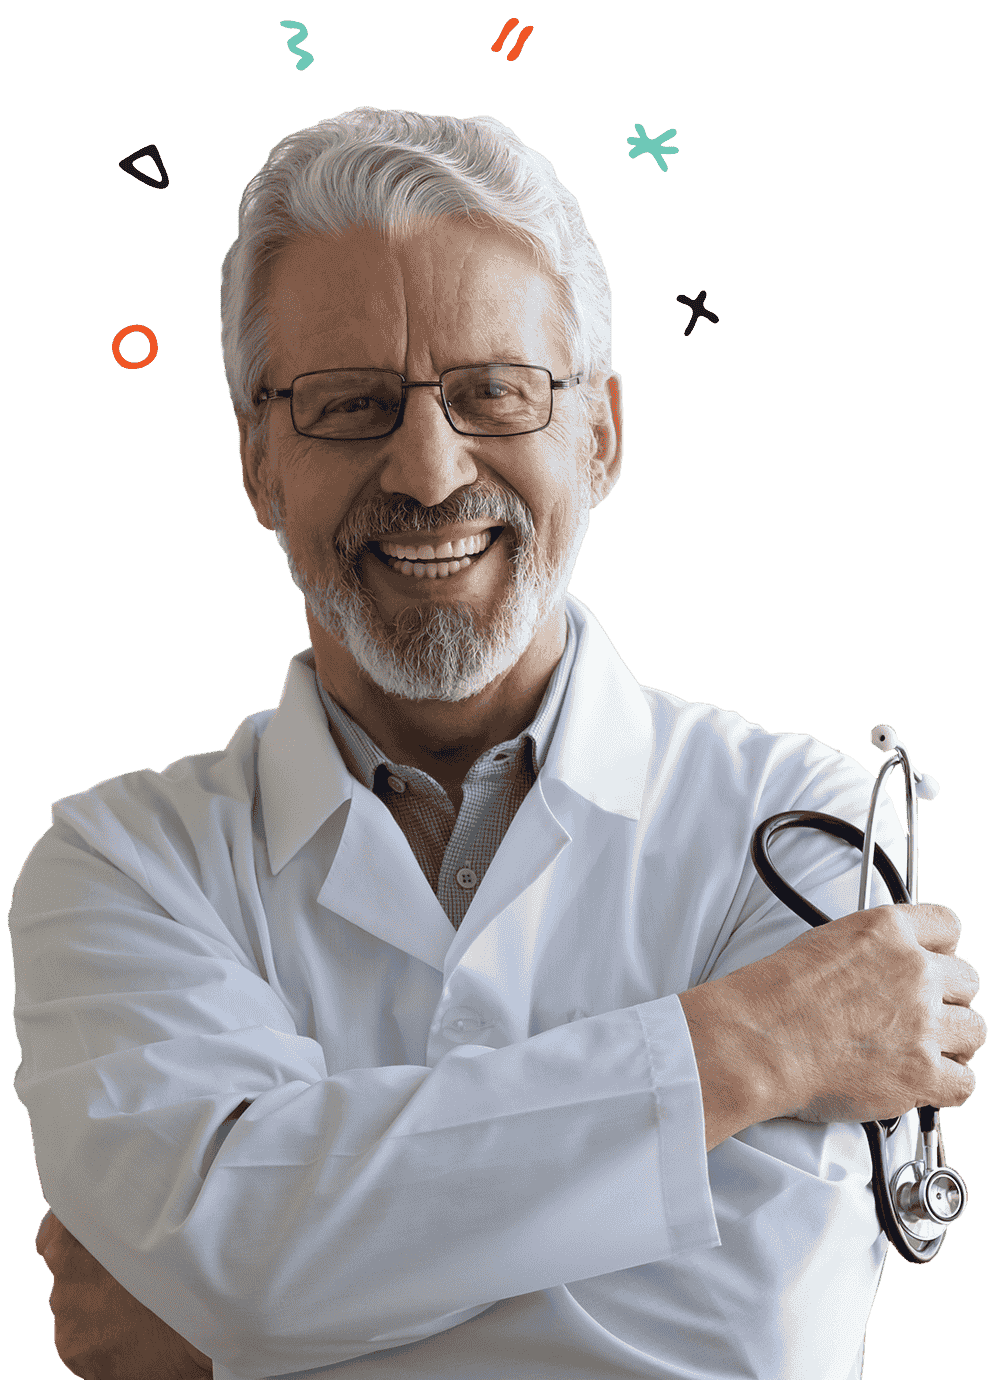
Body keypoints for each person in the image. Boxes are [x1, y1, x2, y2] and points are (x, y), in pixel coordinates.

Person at [13, 108, 985, 1380]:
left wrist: (234, 1323)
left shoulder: (801, 827)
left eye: (494, 393)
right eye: (350, 402)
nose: (425, 468)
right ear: (258, 461)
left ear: (599, 435)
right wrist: (739, 1049)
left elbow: (748, 1340)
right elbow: (237, 1269)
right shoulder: (122, 865)